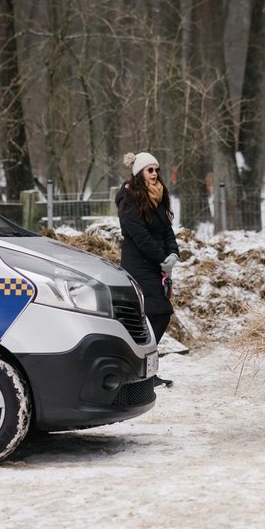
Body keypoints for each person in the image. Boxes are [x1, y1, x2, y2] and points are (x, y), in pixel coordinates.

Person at [116, 151, 179, 388]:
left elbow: (167, 230)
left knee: (155, 316)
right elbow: (140, 237)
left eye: (156, 170)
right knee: (157, 314)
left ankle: (145, 372)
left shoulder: (158, 196)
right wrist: (162, 258)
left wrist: (173, 254)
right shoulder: (128, 199)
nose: (154, 174)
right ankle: (139, 371)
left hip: (156, 266)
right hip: (139, 266)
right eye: (149, 170)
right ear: (138, 173)